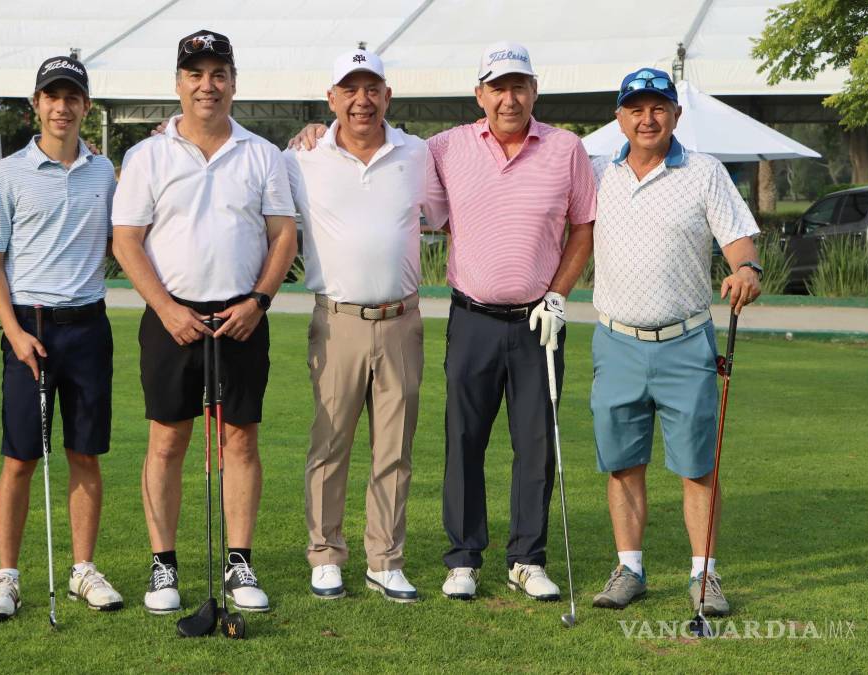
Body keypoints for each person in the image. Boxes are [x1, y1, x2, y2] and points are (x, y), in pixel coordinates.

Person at [297, 41, 596, 602]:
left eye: (519, 86)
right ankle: (460, 558)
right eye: (497, 88)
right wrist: (313, 130)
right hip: (468, 317)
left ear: (534, 91)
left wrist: (559, 294)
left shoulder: (563, 149)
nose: (509, 99)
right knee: (462, 440)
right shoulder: (441, 148)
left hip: (537, 318)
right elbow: (353, 144)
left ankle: (525, 559)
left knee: (533, 443)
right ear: (479, 95)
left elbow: (583, 225)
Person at [111, 30, 297, 615]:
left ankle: (239, 561)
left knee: (239, 439)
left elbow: (283, 236)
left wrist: (259, 301)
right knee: (167, 440)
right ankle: (162, 565)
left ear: (234, 84)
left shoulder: (262, 153)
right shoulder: (147, 155)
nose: (207, 85)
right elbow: (126, 242)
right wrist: (166, 309)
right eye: (195, 74)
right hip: (171, 318)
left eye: (218, 74)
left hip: (242, 314)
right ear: (178, 83)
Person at [587, 68, 761, 616]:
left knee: (696, 466)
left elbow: (739, 240)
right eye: (635, 108)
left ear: (675, 115)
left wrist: (747, 268)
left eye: (658, 107)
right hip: (616, 341)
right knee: (622, 463)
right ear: (619, 117)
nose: (647, 118)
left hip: (686, 342)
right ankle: (629, 569)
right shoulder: (595, 172)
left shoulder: (704, 172)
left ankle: (703, 574)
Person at [286, 47, 447, 602]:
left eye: (371, 87)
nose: (362, 99)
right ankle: (326, 553)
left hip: (401, 319)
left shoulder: (418, 154)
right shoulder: (301, 158)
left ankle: (385, 558)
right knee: (330, 443)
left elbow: (451, 212)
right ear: (331, 99)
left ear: (388, 96)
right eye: (349, 89)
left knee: (394, 448)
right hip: (337, 321)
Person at [0, 55, 123, 620]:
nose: (62, 107)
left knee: (84, 453)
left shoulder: (105, 172)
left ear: (86, 106)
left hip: (88, 327)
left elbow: (123, 239)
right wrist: (11, 332)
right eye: (51, 96)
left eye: (72, 97)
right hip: (28, 331)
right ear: (35, 104)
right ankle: (6, 576)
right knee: (19, 459)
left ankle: (83, 568)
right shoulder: (6, 173)